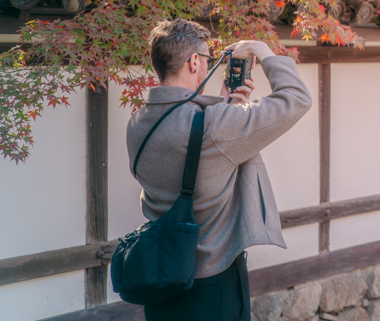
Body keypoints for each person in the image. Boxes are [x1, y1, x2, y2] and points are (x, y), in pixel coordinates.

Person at [127, 19, 312, 321]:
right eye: (207, 59)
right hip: (211, 281)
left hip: (159, 274)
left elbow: (192, 149)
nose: (207, 65)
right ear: (193, 62)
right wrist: (262, 50)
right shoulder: (216, 126)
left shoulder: (137, 123)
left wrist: (226, 105)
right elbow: (297, 98)